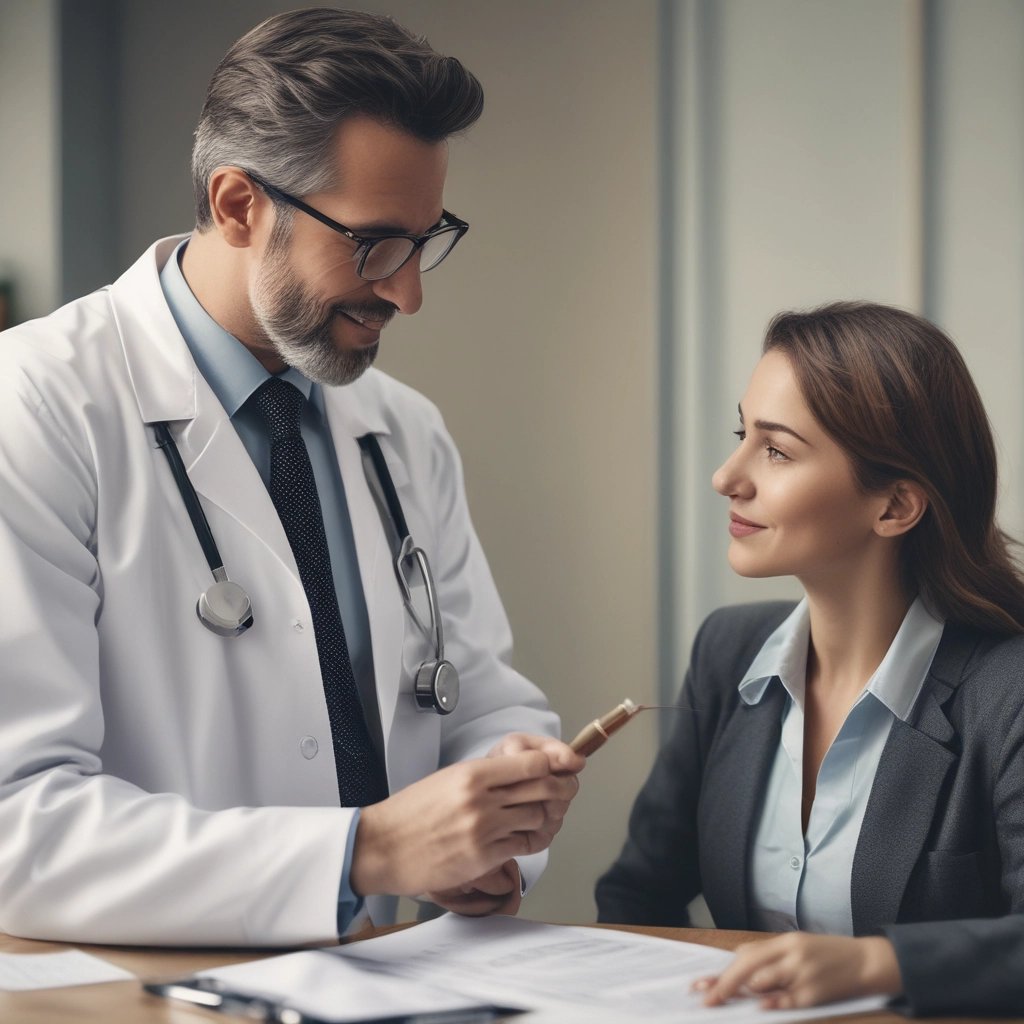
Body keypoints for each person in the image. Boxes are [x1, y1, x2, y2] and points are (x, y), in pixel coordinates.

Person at [0, 8, 583, 946]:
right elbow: (17, 824)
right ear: (238, 206)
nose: (409, 291)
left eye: (427, 241)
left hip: (382, 977)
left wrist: (494, 819)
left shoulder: (402, 429)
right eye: (375, 243)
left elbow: (478, 698)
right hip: (139, 997)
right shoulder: (32, 408)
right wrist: (364, 853)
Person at [595, 302, 1024, 1014]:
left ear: (895, 507)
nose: (726, 476)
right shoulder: (726, 652)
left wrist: (880, 965)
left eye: (776, 450)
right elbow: (638, 893)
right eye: (742, 435)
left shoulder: (1007, 691)